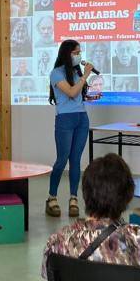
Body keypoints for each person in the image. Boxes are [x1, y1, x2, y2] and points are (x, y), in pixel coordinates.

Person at [46, 39, 93, 218]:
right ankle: (52, 197)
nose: (78, 56)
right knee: (62, 159)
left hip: (82, 118)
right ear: (66, 53)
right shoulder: (56, 73)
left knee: (76, 160)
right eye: (75, 53)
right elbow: (72, 93)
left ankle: (73, 198)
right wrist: (85, 76)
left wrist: (84, 80)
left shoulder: (76, 72)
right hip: (65, 119)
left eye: (79, 52)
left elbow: (79, 95)